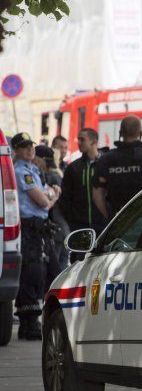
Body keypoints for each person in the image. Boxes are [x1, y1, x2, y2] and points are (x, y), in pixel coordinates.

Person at [10, 132, 61, 340]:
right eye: (24, 147)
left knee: (49, 270)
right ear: (17, 150)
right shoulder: (22, 171)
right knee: (33, 272)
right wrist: (54, 195)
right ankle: (29, 322)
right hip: (31, 228)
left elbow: (44, 194)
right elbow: (43, 200)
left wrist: (49, 195)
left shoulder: (33, 169)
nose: (30, 149)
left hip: (40, 228)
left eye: (31, 145)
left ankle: (36, 319)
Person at [92, 115, 142, 220]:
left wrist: (110, 219)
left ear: (120, 133)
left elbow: (97, 196)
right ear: (140, 134)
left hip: (118, 220)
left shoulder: (106, 159)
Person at [60, 127, 107, 234]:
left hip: (103, 225)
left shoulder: (106, 164)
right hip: (78, 226)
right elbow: (65, 196)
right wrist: (71, 219)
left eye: (82, 139)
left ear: (93, 141)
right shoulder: (73, 167)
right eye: (78, 139)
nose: (79, 142)